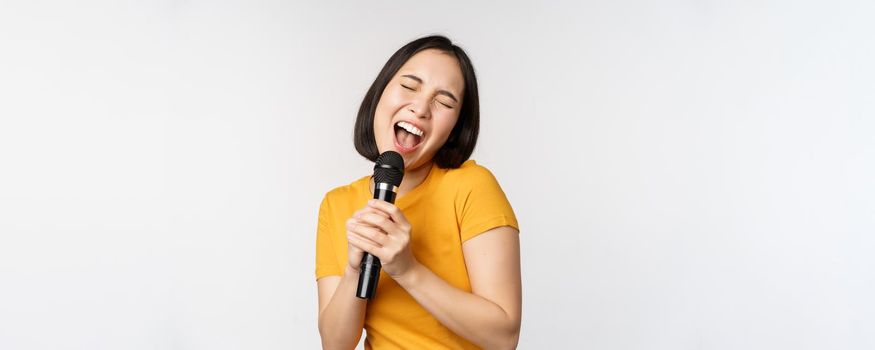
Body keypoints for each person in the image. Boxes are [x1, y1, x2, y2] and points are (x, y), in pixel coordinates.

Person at [315, 35, 521, 350]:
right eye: (410, 86)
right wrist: (354, 269)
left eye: (445, 101)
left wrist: (407, 269)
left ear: (455, 127)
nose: (421, 107)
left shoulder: (472, 187)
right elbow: (335, 344)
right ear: (380, 94)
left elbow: (504, 337)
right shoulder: (337, 203)